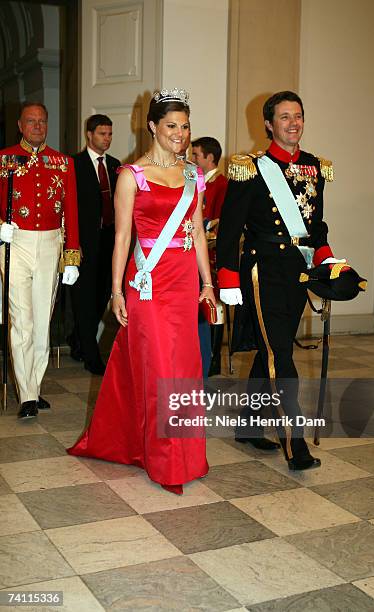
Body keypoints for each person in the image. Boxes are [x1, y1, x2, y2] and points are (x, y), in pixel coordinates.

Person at [68, 88, 215, 494]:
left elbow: (199, 233)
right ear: (152, 126)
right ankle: (166, 461)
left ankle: (188, 455)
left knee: (185, 368)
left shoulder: (193, 174)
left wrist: (207, 283)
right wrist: (116, 291)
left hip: (184, 278)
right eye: (171, 126)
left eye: (185, 126)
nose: (180, 134)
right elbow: (121, 237)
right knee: (160, 368)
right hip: (147, 282)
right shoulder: (131, 175)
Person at [217, 90, 345, 470]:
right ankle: (296, 444)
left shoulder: (314, 167)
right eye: (285, 117)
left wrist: (332, 265)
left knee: (273, 351)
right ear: (269, 124)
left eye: (299, 116)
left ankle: (248, 425)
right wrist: (227, 277)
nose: (294, 123)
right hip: (263, 270)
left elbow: (315, 229)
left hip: (298, 271)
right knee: (280, 356)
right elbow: (229, 229)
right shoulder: (250, 168)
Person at [0, 102, 80, 419]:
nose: (37, 126)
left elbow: (70, 210)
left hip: (50, 244)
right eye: (31, 121)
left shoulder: (62, 162)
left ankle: (32, 385)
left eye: (42, 121)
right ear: (20, 125)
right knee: (22, 319)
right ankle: (28, 395)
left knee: (42, 322)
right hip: (16, 241)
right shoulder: (4, 159)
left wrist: (71, 255)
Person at [68, 114, 120, 375]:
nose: (107, 139)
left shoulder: (115, 165)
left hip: (109, 241)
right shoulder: (73, 165)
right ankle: (91, 355)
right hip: (83, 243)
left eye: (110, 134)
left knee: (102, 296)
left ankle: (77, 340)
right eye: (102, 134)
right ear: (89, 135)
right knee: (85, 299)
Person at [192, 137, 228, 375]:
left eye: (196, 155)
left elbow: (220, 223)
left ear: (209, 158)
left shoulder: (221, 183)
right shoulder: (197, 180)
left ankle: (213, 360)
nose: (192, 159)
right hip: (196, 253)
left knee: (212, 308)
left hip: (212, 256)